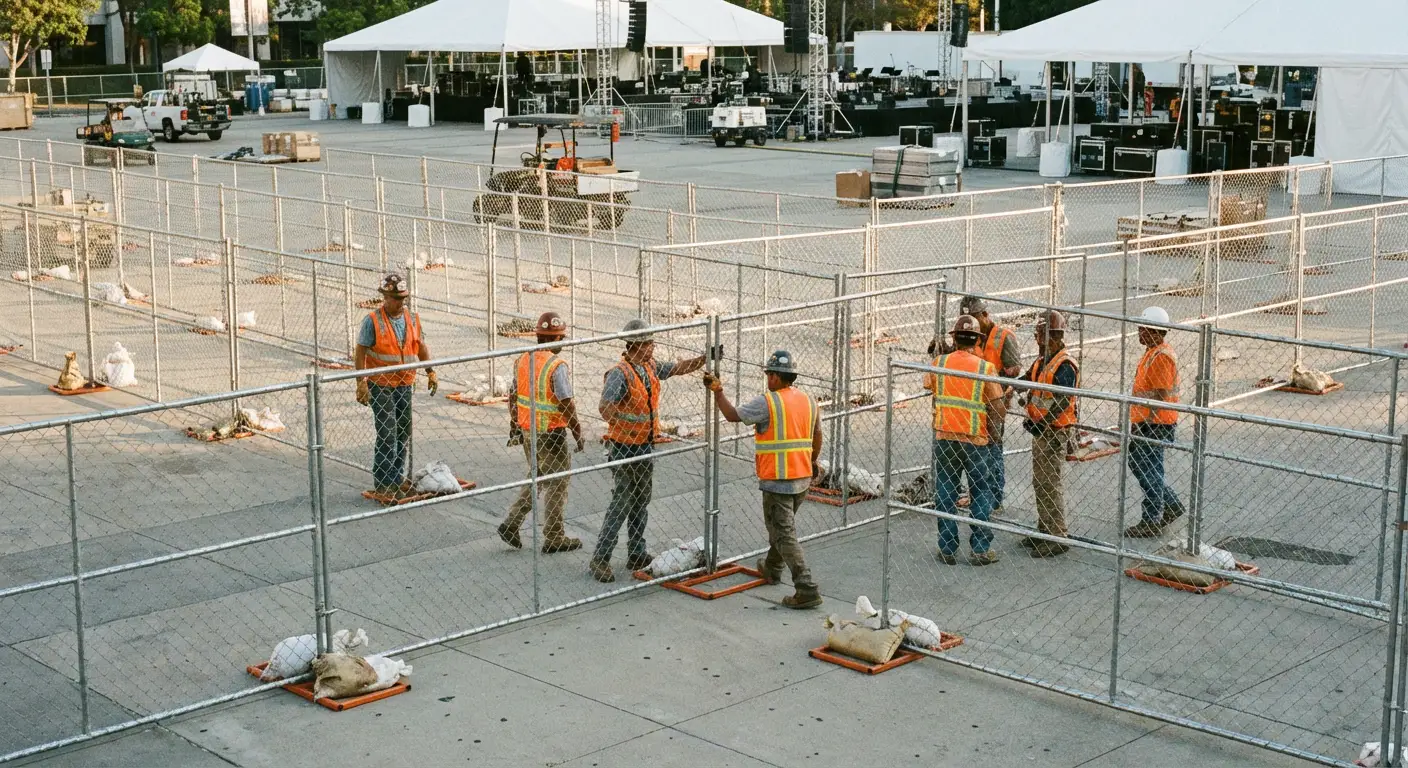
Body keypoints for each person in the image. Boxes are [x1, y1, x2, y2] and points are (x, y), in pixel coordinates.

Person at [589, 319, 709, 583]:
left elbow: (677, 368)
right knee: (620, 503)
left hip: (644, 446)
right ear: (635, 345)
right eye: (648, 344)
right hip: (623, 448)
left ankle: (636, 552)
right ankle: (600, 559)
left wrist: (703, 359)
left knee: (641, 501)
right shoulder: (620, 373)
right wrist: (624, 425)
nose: (652, 348)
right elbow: (604, 407)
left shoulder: (650, 367)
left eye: (652, 343)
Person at [703, 351, 823, 609]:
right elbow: (817, 435)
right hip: (802, 476)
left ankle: (806, 587)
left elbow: (733, 416)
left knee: (783, 533)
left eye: (769, 374)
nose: (767, 378)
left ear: (778, 377)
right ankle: (772, 567)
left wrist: (718, 391)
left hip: (779, 479)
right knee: (782, 529)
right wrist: (812, 461)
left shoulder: (768, 402)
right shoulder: (808, 400)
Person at [500, 312, 585, 554]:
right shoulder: (556, 365)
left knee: (537, 475)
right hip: (552, 432)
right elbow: (566, 401)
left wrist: (514, 422)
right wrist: (577, 430)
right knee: (558, 482)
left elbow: (513, 395)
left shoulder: (523, 360)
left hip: (529, 430)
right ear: (557, 338)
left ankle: (511, 523)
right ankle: (554, 536)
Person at [925, 315, 1007, 566]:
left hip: (945, 437)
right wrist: (994, 435)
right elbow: (998, 408)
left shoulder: (939, 363)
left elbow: (931, 388)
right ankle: (980, 549)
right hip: (976, 440)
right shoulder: (985, 368)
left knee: (945, 492)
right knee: (981, 491)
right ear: (978, 340)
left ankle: (947, 548)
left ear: (954, 338)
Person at [355, 274, 436, 498]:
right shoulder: (372, 321)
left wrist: (430, 371)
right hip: (380, 383)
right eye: (395, 299)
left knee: (403, 431)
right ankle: (383, 483)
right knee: (387, 433)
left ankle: (396, 478)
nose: (400, 303)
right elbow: (360, 350)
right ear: (385, 298)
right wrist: (360, 382)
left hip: (404, 382)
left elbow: (420, 346)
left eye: (403, 299)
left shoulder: (412, 318)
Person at [1019, 310, 1079, 558]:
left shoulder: (1064, 364)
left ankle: (1057, 535)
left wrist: (1042, 423)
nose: (1035, 338)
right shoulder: (1043, 360)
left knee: (1050, 483)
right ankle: (1045, 529)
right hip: (1042, 430)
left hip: (1055, 432)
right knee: (1040, 482)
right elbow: (1028, 379)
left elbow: (1062, 401)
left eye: (1039, 334)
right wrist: (1005, 383)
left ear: (1050, 335)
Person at [1124, 306, 1187, 538]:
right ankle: (1170, 504)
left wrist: (1136, 402)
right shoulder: (1153, 352)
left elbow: (1160, 394)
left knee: (1146, 467)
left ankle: (1152, 518)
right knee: (1146, 466)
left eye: (1143, 329)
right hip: (1148, 421)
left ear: (1155, 331)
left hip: (1155, 423)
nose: (1139, 333)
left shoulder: (1162, 357)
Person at [959, 296, 1020, 517]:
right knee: (974, 452)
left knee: (993, 450)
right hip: (972, 404)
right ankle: (979, 497)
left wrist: (992, 381)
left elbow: (1013, 370)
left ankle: (995, 499)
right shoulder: (971, 335)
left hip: (995, 404)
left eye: (974, 317)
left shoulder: (1004, 337)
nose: (972, 322)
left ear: (985, 315)